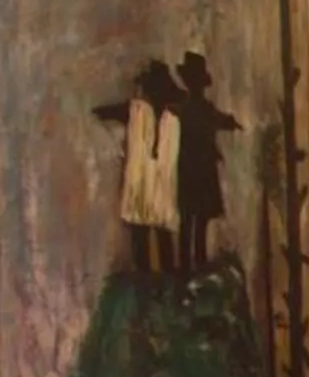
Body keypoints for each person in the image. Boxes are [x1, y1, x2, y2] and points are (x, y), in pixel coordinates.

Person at [91, 58, 180, 274]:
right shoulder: (173, 117)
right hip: (159, 192)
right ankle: (162, 287)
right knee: (162, 240)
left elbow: (101, 112)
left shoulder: (136, 111)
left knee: (143, 242)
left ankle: (148, 285)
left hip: (143, 191)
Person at [169, 50, 241, 273]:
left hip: (189, 170)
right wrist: (231, 123)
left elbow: (223, 121)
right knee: (197, 221)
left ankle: (187, 267)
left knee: (189, 221)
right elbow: (223, 121)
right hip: (199, 170)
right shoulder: (199, 109)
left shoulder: (182, 108)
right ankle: (195, 265)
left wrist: (230, 122)